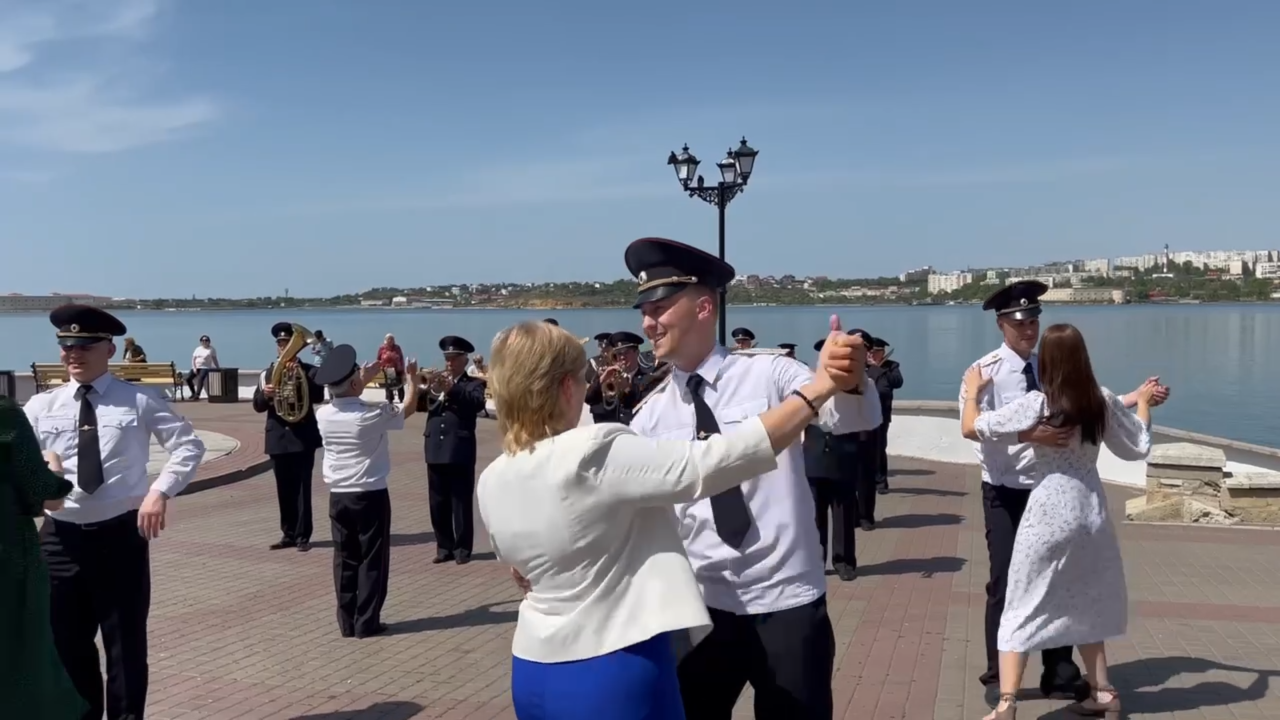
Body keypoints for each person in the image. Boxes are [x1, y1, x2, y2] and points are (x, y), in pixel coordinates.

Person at [478, 319, 863, 720]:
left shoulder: (493, 480)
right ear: (565, 388)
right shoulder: (594, 451)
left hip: (533, 669)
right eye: (582, 375)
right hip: (610, 668)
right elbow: (708, 465)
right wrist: (818, 389)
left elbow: (521, 571)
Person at [624, 237, 883, 719]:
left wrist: (849, 378)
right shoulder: (649, 417)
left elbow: (850, 417)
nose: (647, 322)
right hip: (701, 608)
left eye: (659, 307)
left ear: (703, 307)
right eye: (644, 309)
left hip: (786, 601)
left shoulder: (769, 375)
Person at [963, 280, 1170, 709]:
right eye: (1020, 322)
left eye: (1034, 321)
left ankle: (1054, 673)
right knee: (1006, 583)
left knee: (1059, 588)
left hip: (1044, 498)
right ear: (1002, 324)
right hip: (1010, 488)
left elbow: (1083, 404)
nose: (1028, 328)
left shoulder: (1047, 375)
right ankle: (1000, 676)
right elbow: (1108, 417)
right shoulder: (984, 370)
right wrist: (1028, 433)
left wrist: (1136, 397)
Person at [25, 304, 206, 720]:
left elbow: (188, 447)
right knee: (66, 644)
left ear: (108, 349)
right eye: (67, 346)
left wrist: (159, 492)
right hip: (58, 539)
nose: (74, 353)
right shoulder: (41, 406)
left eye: (85, 345)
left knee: (124, 646)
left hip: (118, 537)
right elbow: (19, 464)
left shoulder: (139, 399)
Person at [315, 345, 420, 639]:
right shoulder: (369, 415)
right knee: (372, 560)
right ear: (352, 383)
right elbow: (408, 408)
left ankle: (347, 622)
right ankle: (367, 622)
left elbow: (348, 394)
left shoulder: (323, 415)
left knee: (344, 558)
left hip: (338, 495)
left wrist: (362, 377)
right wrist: (411, 379)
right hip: (369, 493)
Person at [0, 396, 90, 720]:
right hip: (9, 558)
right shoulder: (5, 416)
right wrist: (52, 462)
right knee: (23, 654)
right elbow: (45, 491)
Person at [802, 330, 879, 583]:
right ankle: (816, 560)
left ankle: (844, 561)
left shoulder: (861, 383)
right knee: (814, 513)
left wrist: (854, 381)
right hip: (814, 451)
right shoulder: (806, 380)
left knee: (844, 511)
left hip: (844, 450)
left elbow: (872, 416)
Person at [253, 321, 325, 552]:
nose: (284, 348)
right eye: (281, 344)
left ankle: (303, 536)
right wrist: (266, 394)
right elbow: (258, 406)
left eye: (288, 344)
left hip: (302, 437)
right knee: (283, 489)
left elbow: (317, 396)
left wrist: (302, 376)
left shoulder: (309, 370)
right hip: (278, 439)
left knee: (303, 489)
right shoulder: (268, 373)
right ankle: (288, 533)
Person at [418, 335, 489, 565]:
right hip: (435, 448)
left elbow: (476, 403)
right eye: (447, 358)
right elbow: (421, 406)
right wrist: (427, 388)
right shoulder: (437, 383)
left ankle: (462, 549)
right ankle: (444, 546)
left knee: (460, 501)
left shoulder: (474, 384)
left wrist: (452, 388)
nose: (449, 363)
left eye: (453, 359)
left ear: (464, 359)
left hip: (459, 448)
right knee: (437, 502)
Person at [584, 331, 663, 426]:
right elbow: (588, 399)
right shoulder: (609, 377)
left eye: (626, 352)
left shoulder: (648, 378)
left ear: (637, 353)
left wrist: (627, 388)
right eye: (618, 353)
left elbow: (643, 401)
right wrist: (601, 380)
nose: (622, 357)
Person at [864, 336, 902, 494]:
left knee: (879, 447)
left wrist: (877, 368)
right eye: (869, 352)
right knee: (865, 448)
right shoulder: (862, 366)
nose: (871, 355)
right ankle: (867, 480)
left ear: (882, 352)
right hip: (863, 413)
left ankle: (881, 482)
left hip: (882, 413)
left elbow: (897, 382)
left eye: (875, 352)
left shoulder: (891, 366)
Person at [186, 334, 219, 401]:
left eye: (206, 340)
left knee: (200, 379)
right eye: (203, 340)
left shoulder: (211, 349)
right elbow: (193, 359)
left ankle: (197, 395)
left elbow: (214, 359)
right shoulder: (198, 349)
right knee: (188, 378)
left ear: (209, 341)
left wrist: (218, 367)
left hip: (205, 367)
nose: (204, 342)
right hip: (196, 367)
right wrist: (194, 368)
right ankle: (193, 393)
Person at [376, 334, 407, 403]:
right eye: (389, 339)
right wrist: (380, 367)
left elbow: (401, 358)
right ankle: (390, 399)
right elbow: (378, 359)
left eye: (392, 339)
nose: (390, 340)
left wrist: (402, 368)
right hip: (387, 369)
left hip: (398, 369)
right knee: (389, 381)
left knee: (399, 383)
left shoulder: (397, 348)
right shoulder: (382, 348)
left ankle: (401, 398)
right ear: (385, 340)